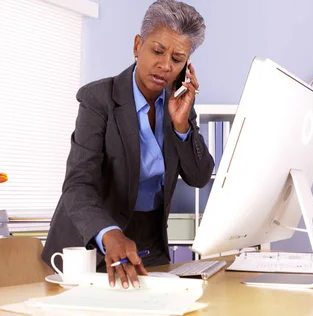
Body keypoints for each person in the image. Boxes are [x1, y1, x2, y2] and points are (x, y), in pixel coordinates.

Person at [41, 0, 213, 289]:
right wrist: (110, 233)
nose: (165, 65)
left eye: (177, 58)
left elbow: (198, 176)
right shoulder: (98, 99)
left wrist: (182, 125)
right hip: (92, 242)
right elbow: (78, 184)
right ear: (137, 46)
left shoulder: (180, 104)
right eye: (157, 51)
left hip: (149, 242)